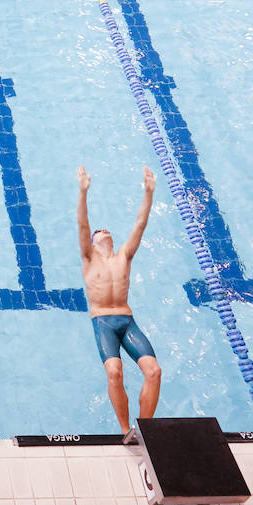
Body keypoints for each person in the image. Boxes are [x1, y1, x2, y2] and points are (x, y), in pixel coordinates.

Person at [77, 166, 162, 434]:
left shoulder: (124, 255)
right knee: (114, 372)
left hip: (126, 321)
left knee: (154, 372)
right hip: (103, 321)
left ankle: (145, 428)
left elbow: (140, 223)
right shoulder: (89, 258)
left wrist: (148, 193)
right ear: (93, 241)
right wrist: (83, 192)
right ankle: (126, 429)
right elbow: (83, 223)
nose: (103, 229)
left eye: (105, 228)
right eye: (98, 230)